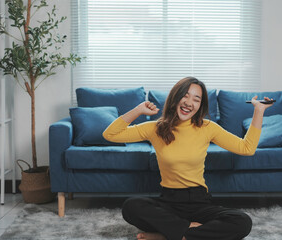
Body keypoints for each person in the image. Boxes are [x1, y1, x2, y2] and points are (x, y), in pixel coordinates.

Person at [103, 77, 273, 240]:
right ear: (175, 98)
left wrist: (259, 110)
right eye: (185, 96)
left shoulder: (207, 128)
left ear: (200, 106)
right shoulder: (156, 128)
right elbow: (110, 134)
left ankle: (168, 235)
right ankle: (191, 232)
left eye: (196, 99)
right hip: (169, 202)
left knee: (242, 222)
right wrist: (138, 109)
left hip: (200, 202)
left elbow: (247, 148)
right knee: (131, 207)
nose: (189, 102)